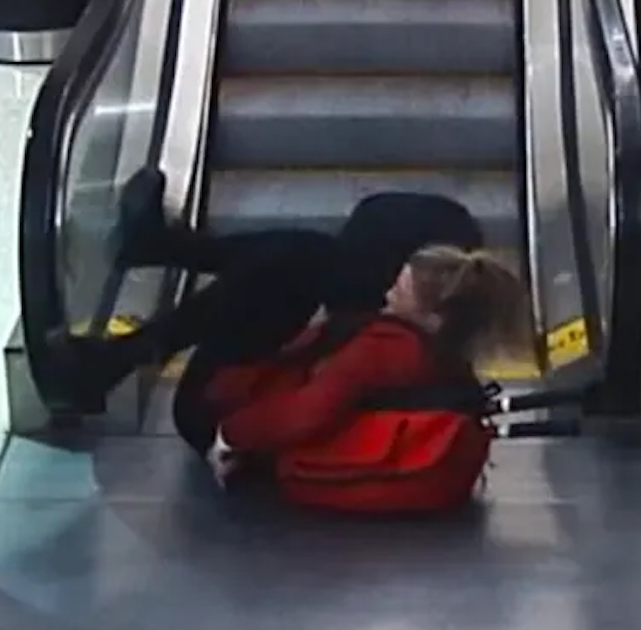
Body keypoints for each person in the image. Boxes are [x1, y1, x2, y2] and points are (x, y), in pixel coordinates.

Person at [62, 166, 531, 513]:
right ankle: (134, 319)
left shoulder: (384, 346)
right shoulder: (433, 348)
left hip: (216, 421)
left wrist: (231, 435)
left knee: (299, 261)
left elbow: (310, 408)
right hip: (246, 418)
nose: (389, 289)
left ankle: (126, 338)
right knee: (297, 262)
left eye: (398, 285)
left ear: (434, 314)